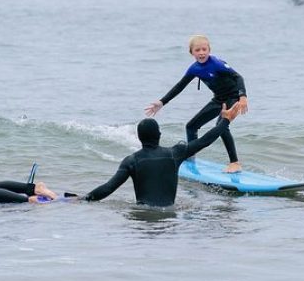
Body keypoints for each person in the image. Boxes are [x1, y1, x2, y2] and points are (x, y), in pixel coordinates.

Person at [82, 102, 241, 207]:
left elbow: (108, 188)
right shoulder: (175, 153)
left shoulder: (131, 161)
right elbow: (205, 140)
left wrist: (84, 199)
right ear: (159, 135)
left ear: (139, 137)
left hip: (142, 218)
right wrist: (225, 121)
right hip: (169, 218)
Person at [144, 35, 248, 173]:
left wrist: (243, 97)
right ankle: (190, 158)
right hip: (218, 99)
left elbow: (238, 77)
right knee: (191, 126)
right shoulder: (194, 69)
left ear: (209, 50)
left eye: (204, 49)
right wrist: (162, 102)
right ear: (191, 52)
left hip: (233, 97)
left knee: (221, 126)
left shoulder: (216, 63)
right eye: (197, 50)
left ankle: (235, 163)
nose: (201, 52)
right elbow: (180, 86)